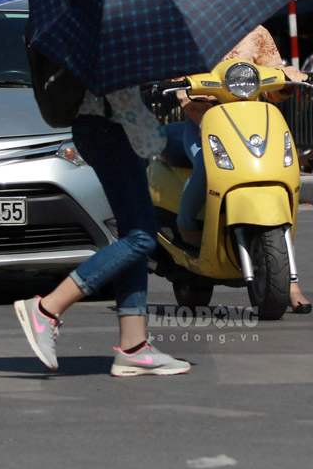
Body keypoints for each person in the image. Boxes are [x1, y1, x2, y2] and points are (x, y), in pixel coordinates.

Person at [13, 83, 191, 377]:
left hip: (107, 125)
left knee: (135, 231)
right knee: (141, 236)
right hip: (111, 126)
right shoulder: (111, 37)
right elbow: (117, 80)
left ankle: (134, 346)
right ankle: (46, 309)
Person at [164, 25, 312, 313]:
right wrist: (182, 84)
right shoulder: (189, 32)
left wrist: (287, 80)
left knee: (280, 173)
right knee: (207, 168)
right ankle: (186, 225)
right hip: (204, 122)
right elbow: (177, 81)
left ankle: (291, 281)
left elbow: (274, 78)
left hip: (251, 123)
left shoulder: (257, 33)